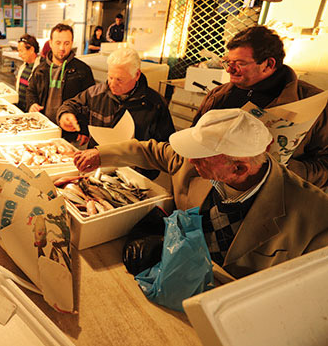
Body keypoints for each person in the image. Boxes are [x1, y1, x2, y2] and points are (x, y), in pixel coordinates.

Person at [75, 109, 328, 279]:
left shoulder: (315, 218)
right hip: (174, 274)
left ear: (238, 167)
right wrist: (101, 154)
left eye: (200, 156)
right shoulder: (191, 163)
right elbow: (149, 151)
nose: (189, 159)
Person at [193, 25, 328, 188]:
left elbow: (324, 165)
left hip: (272, 195)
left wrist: (275, 170)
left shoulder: (314, 103)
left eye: (239, 63)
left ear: (268, 64)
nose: (229, 69)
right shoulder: (218, 96)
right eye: (227, 62)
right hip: (211, 189)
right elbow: (194, 137)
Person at [57, 48, 174, 177]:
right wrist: (65, 115)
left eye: (119, 80)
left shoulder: (155, 104)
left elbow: (166, 147)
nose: (112, 84)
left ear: (137, 75)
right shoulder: (96, 92)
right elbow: (71, 105)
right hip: (95, 168)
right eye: (110, 77)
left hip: (136, 175)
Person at [27, 23, 95, 140]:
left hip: (71, 132)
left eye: (66, 43)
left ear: (72, 43)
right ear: (51, 43)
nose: (62, 48)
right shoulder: (40, 69)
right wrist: (32, 104)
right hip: (44, 129)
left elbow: (90, 102)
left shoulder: (83, 70)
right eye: (58, 43)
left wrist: (84, 128)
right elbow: (31, 91)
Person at [15, 34, 42, 112]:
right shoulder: (23, 66)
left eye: (21, 51)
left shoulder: (42, 69)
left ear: (31, 50)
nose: (19, 55)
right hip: (21, 110)